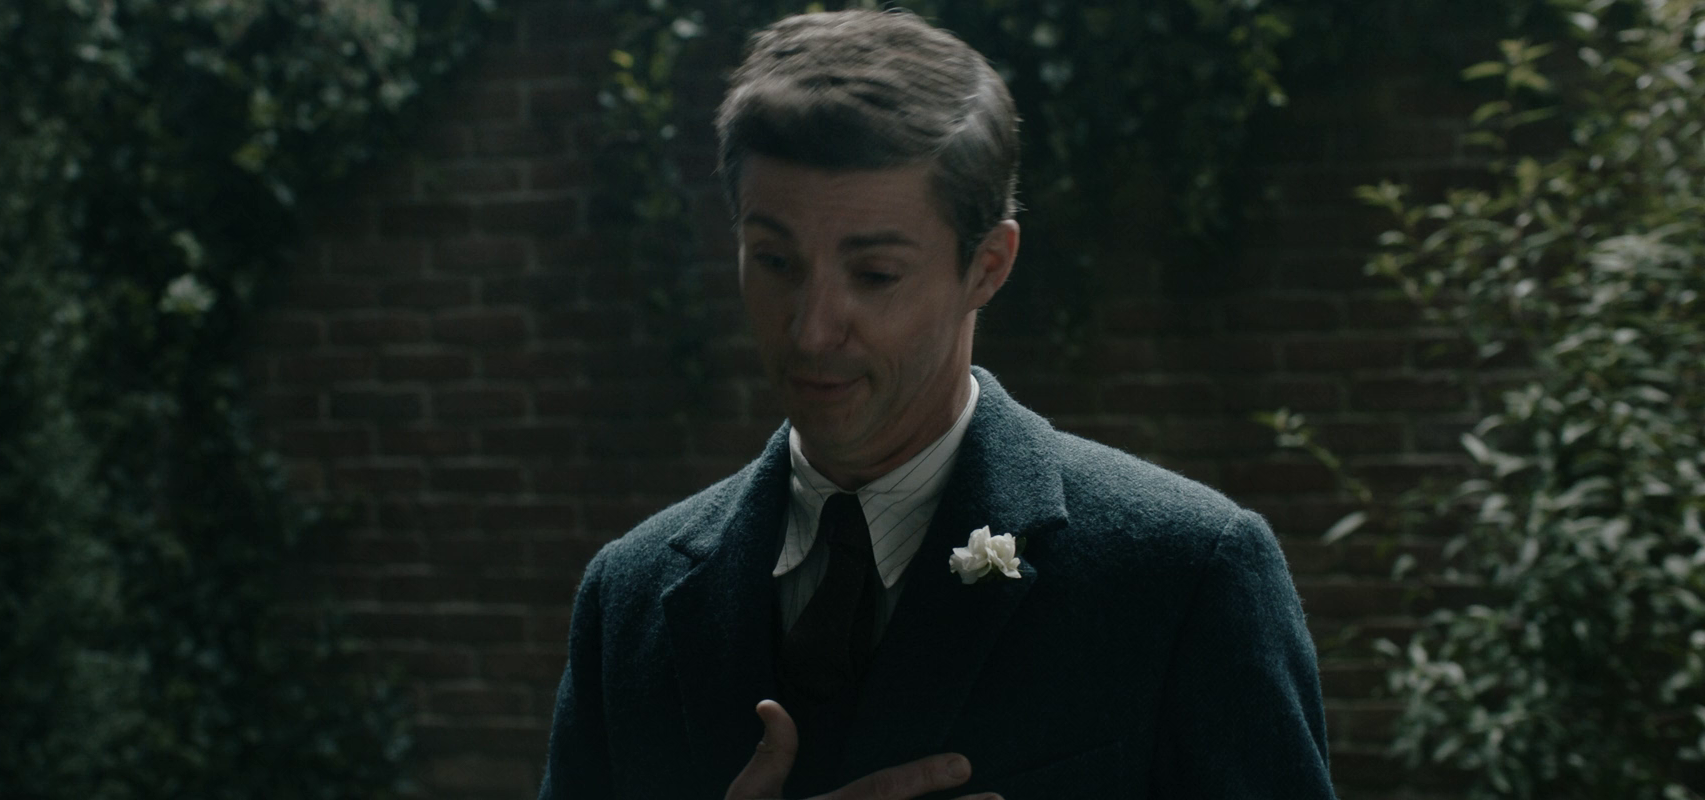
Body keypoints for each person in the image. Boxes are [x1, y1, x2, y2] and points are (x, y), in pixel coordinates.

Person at [539, 9, 1336, 799]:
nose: (811, 330)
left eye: (875, 275)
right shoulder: (627, 598)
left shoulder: (1185, 576)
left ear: (988, 267)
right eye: (775, 260)